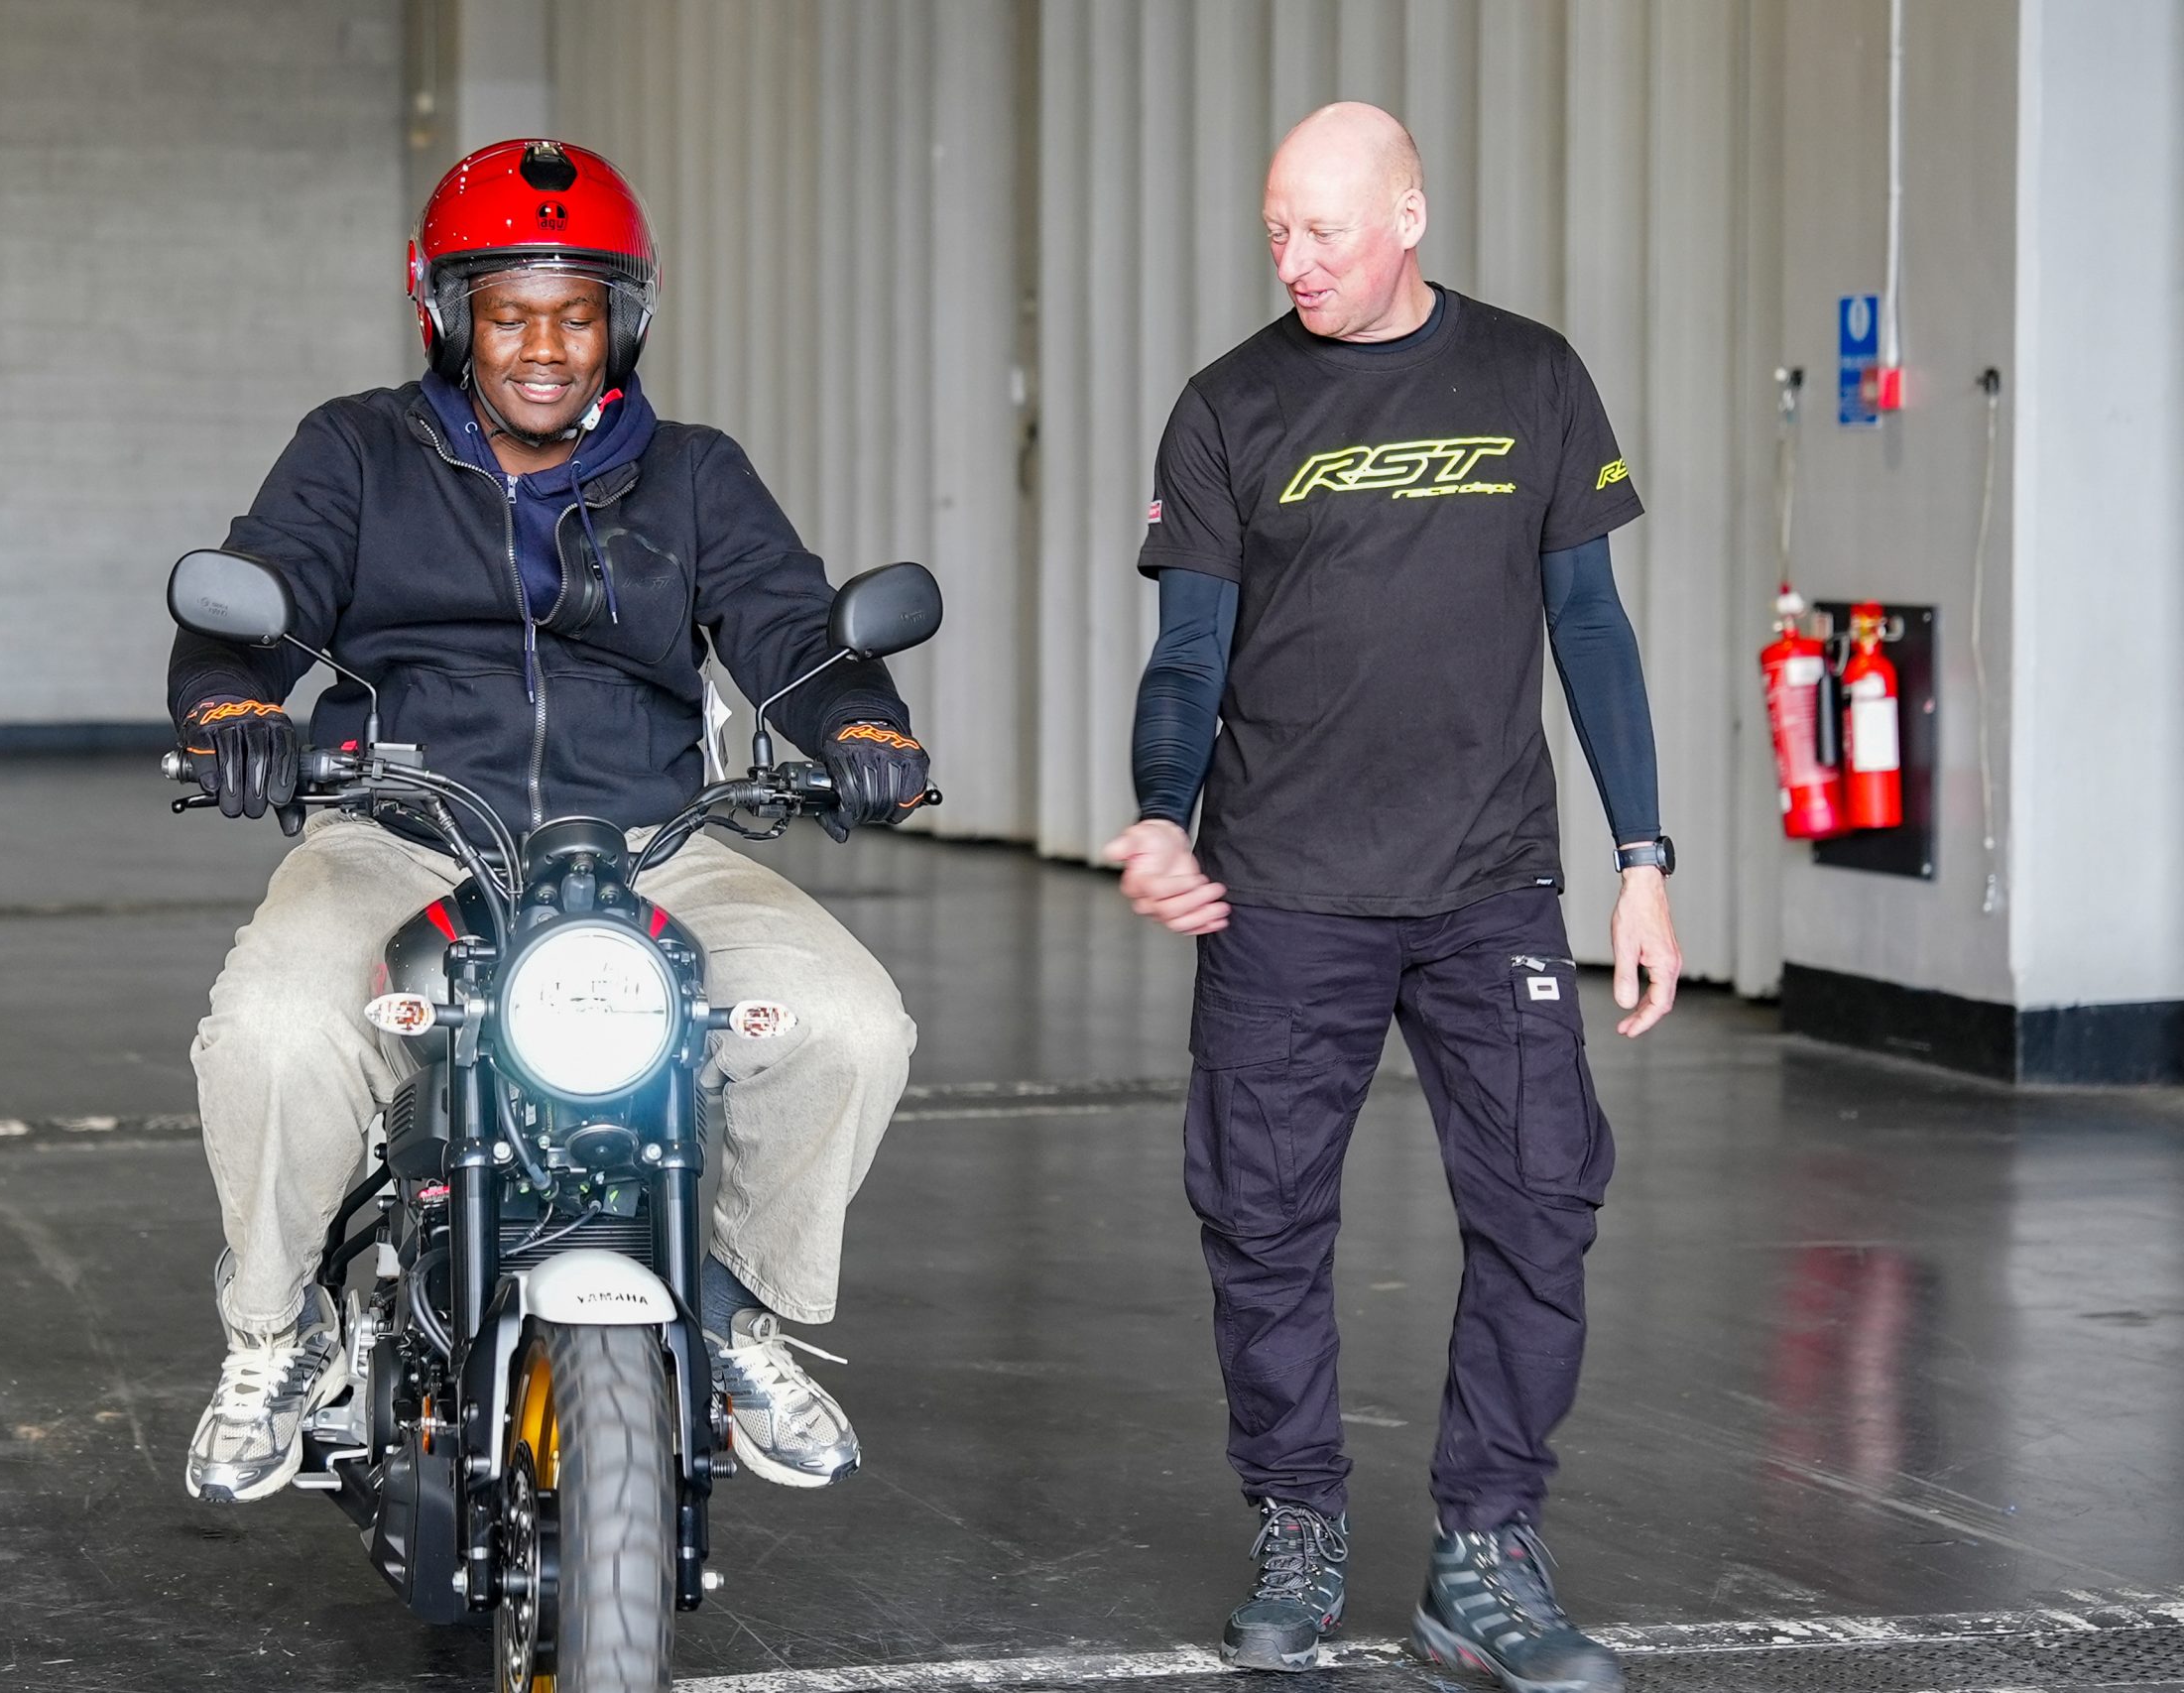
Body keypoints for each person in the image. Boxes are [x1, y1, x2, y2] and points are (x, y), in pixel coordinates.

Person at [170, 139, 931, 1506]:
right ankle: (276, 1332)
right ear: (448, 315)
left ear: (621, 323)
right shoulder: (356, 449)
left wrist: (861, 726)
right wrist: (233, 710)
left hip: (651, 844)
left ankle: (737, 1305)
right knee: (277, 1029)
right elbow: (258, 595)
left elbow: (789, 626)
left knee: (849, 1024)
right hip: (402, 830)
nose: (543, 348)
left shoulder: (693, 473)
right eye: (510, 313)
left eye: (575, 315)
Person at [1106, 104, 1679, 1692]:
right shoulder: (1228, 407)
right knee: (1264, 1219)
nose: (1292, 261)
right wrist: (1161, 813)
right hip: (1283, 888)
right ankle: (1297, 1519)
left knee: (1542, 1205)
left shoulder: (1532, 379)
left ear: (1408, 216)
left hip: (1490, 882)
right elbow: (1190, 654)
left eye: (1325, 231)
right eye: (1275, 232)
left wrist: (1643, 862)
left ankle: (1485, 1553)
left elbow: (1593, 628)